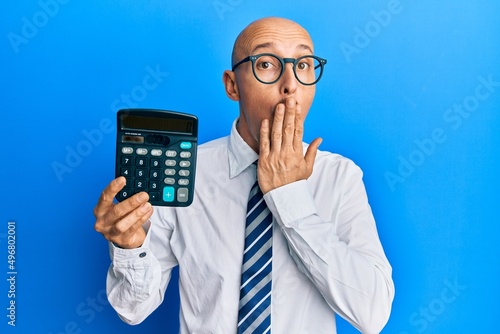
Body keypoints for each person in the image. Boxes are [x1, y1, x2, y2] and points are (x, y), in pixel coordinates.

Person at [94, 17, 394, 334]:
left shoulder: (340, 176)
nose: (290, 83)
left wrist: (290, 197)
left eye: (303, 64)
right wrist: (128, 248)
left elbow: (372, 314)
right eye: (266, 63)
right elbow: (132, 309)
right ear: (232, 85)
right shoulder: (184, 174)